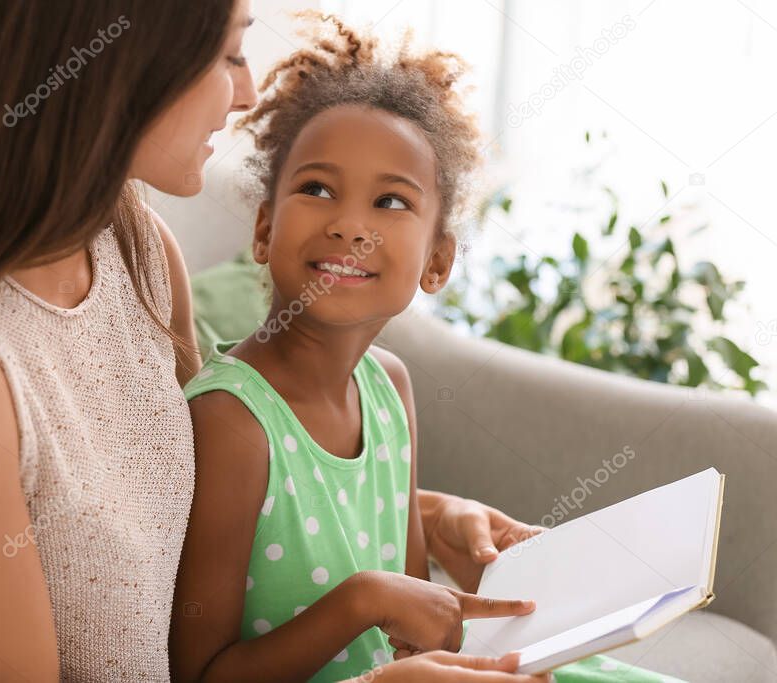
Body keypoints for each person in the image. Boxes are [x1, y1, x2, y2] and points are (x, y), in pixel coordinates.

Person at [0, 1, 556, 680]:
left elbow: (177, 501)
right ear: (114, 63)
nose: (244, 94)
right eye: (230, 53)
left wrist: (421, 512)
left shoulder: (133, 245)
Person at [172, 13, 684, 683]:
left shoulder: (390, 388)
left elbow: (415, 634)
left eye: (390, 201)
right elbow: (199, 675)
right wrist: (361, 601)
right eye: (316, 189)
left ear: (438, 262)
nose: (350, 224)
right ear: (264, 229)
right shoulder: (230, 421)